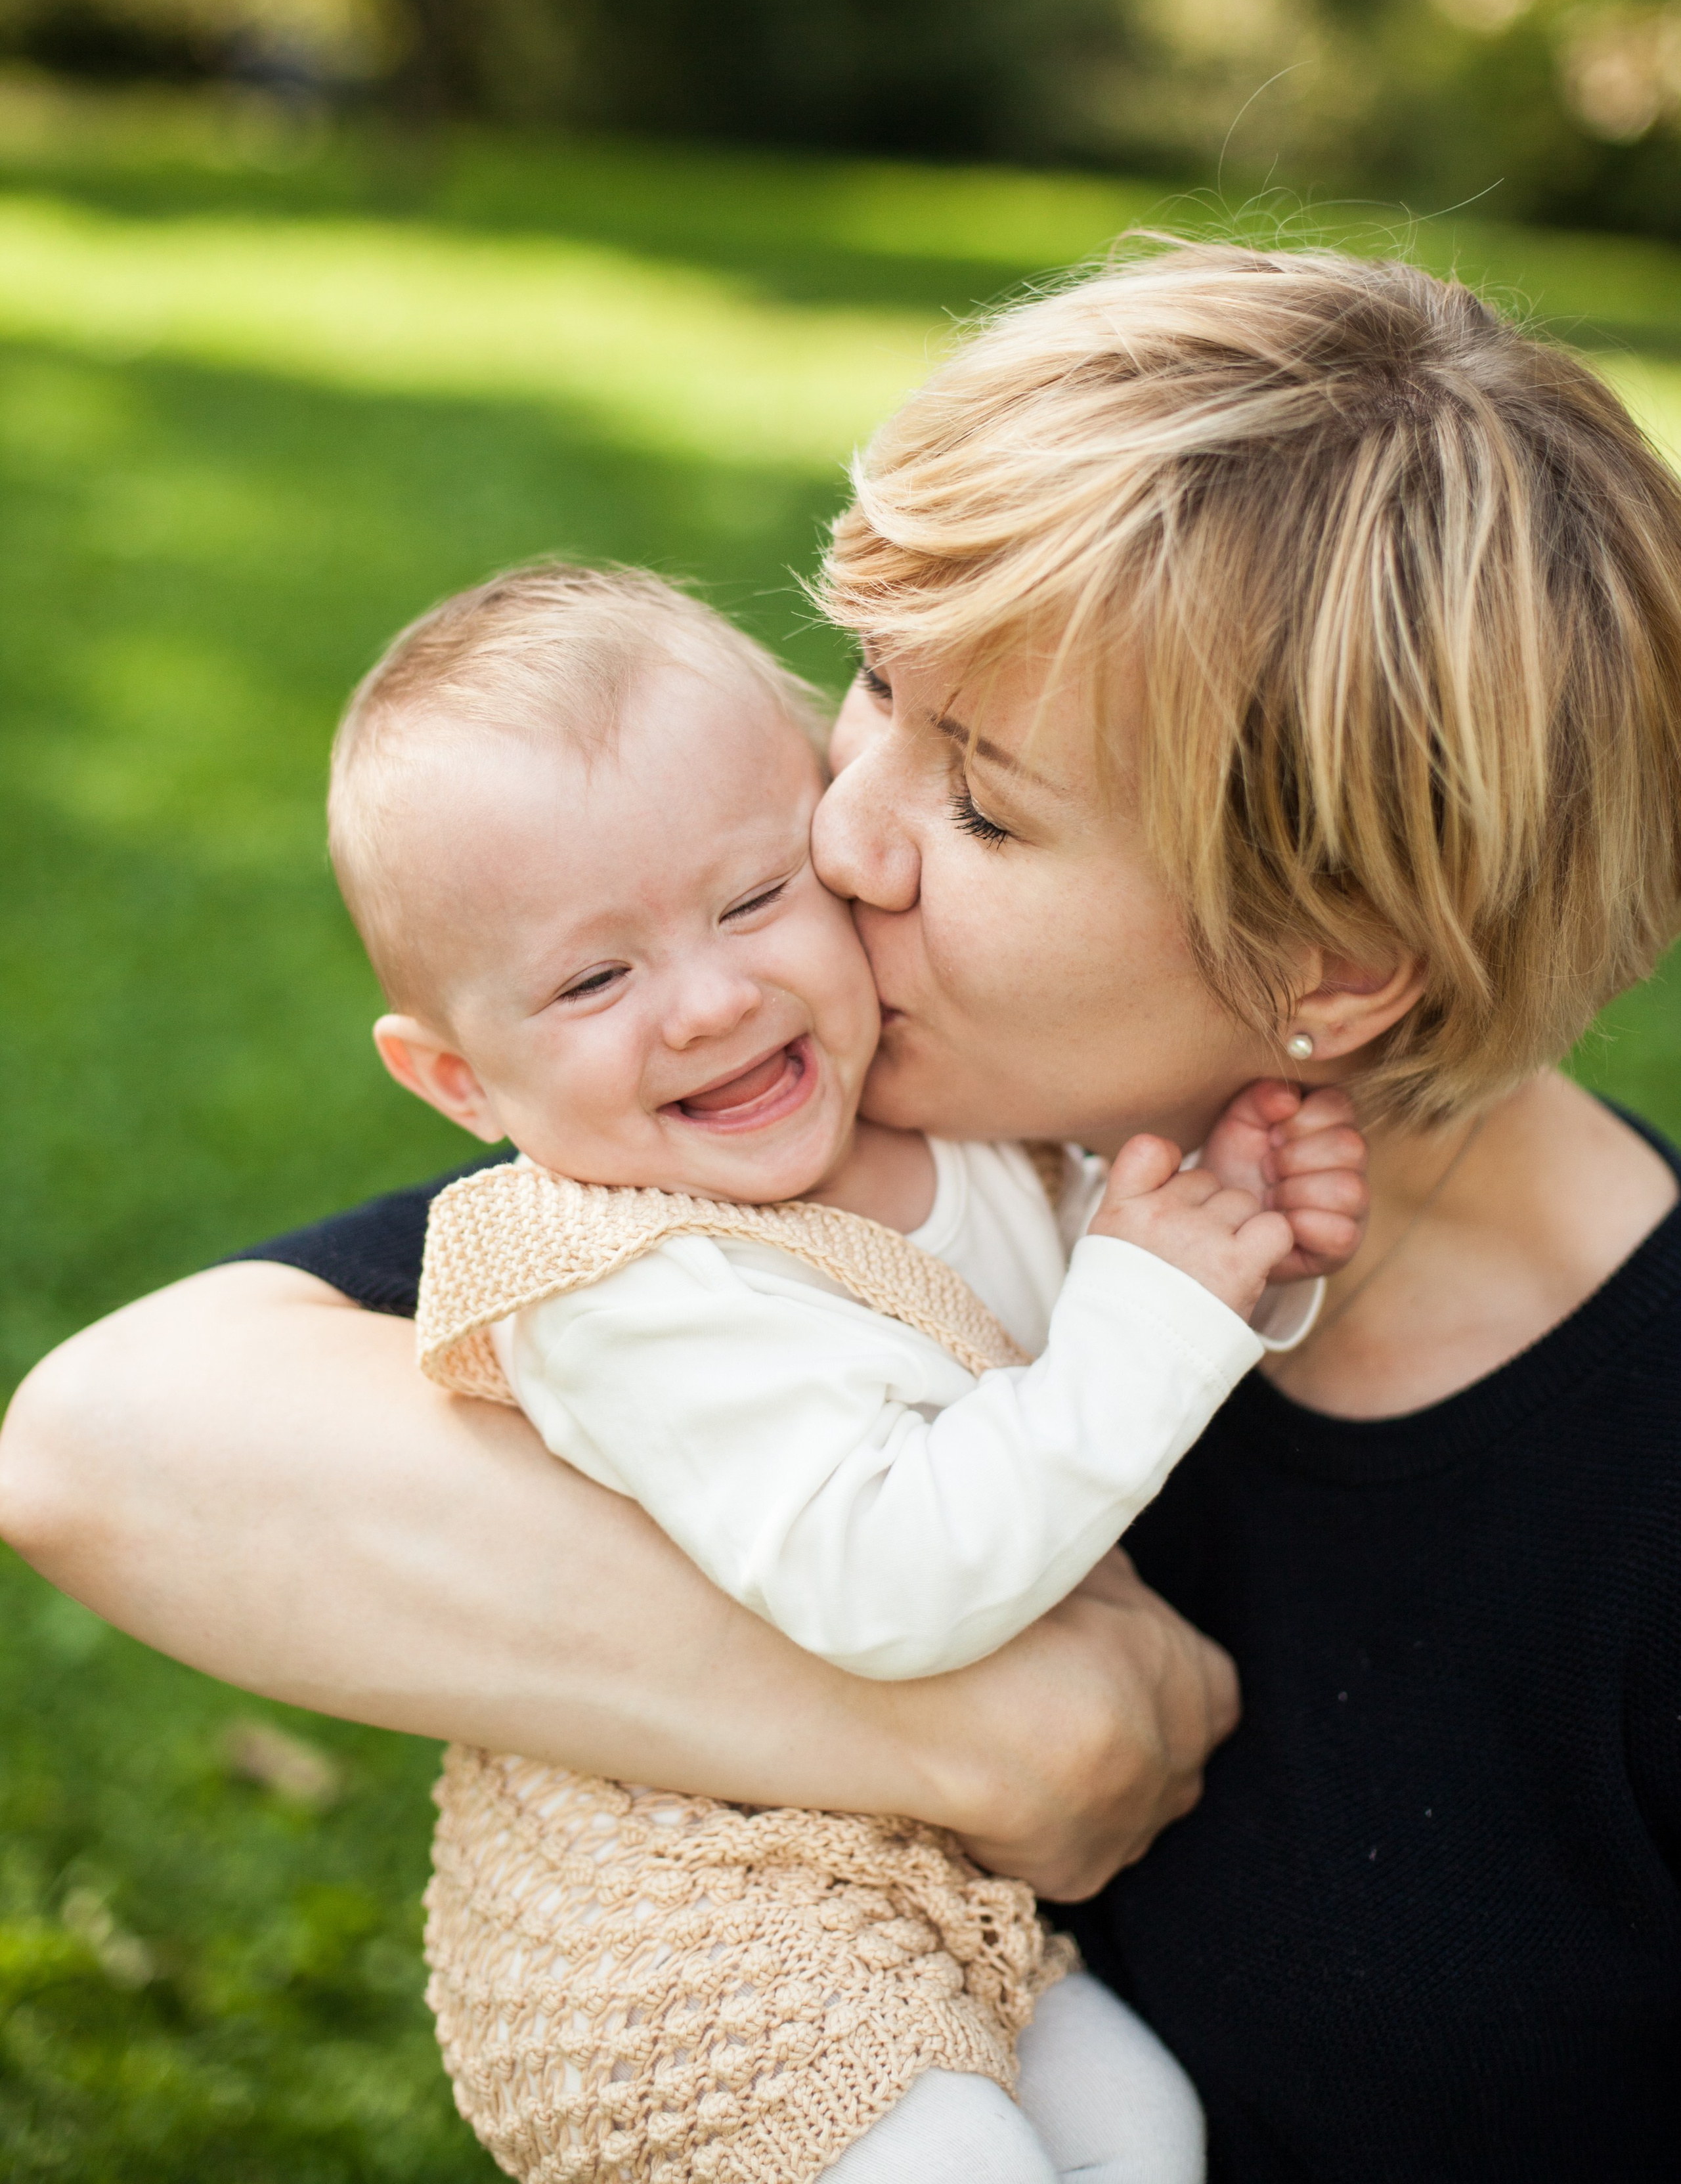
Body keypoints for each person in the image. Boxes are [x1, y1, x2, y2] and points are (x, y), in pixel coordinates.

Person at [5, 240, 1681, 2183]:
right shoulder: (843, 1154)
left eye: (984, 809)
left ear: (1334, 966)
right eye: (875, 685)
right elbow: (107, 1450)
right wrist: (954, 1724)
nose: (840, 831)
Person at [327, 559, 1363, 2182]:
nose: (710, 1000)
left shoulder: (956, 1132)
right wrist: (1155, 1315)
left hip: (923, 1886)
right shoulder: (626, 1288)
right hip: (688, 1920)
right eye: (593, 979)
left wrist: (1223, 1246)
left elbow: (1080, 1333)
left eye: (752, 900)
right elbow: (893, 1580)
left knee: (1146, 2132)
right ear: (458, 1080)